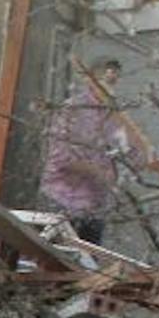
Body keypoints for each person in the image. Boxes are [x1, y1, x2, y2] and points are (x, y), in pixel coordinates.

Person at [41, 59, 128, 245]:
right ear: (91, 80)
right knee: (56, 264)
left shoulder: (113, 116)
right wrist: (96, 172)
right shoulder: (73, 109)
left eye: (115, 80)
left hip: (95, 207)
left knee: (87, 268)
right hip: (63, 202)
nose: (111, 85)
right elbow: (60, 158)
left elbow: (122, 154)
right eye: (107, 78)